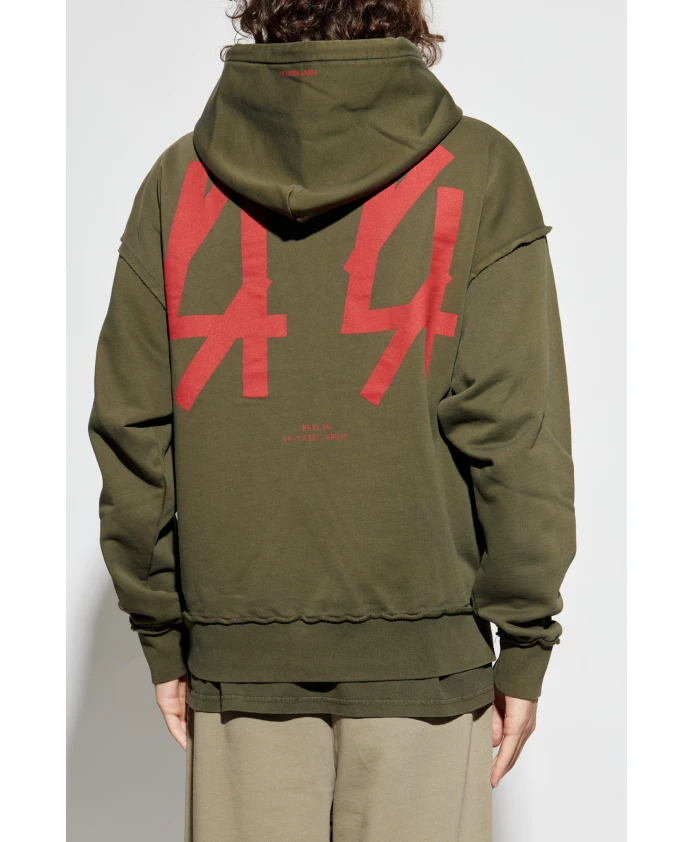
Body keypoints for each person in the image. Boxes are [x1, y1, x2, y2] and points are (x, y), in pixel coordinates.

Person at [88, 1, 576, 839]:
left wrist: (163, 632)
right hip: (426, 663)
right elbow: (515, 427)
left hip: (241, 660)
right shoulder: (480, 169)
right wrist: (525, 639)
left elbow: (132, 428)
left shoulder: (177, 180)